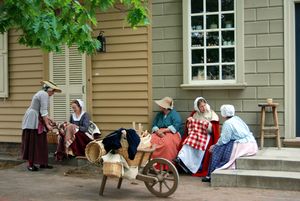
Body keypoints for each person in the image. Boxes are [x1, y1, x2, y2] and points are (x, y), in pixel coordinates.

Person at [202, 104, 258, 182]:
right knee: (222, 146)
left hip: (243, 145)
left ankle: (211, 174)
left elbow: (224, 140)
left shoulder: (227, 123)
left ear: (223, 114)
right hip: (252, 144)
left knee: (217, 149)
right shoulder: (237, 119)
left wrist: (215, 146)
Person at [21, 80, 61, 171]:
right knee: (33, 142)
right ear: (49, 89)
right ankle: (31, 164)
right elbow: (43, 111)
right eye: (53, 91)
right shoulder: (44, 94)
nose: (53, 93)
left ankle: (43, 163)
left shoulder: (43, 94)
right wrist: (48, 125)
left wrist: (50, 120)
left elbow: (43, 111)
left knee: (41, 141)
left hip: (37, 118)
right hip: (33, 120)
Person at [175, 97, 220, 175]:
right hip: (196, 134)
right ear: (198, 107)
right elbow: (190, 128)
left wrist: (206, 124)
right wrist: (190, 122)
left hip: (206, 135)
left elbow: (214, 129)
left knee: (200, 145)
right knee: (188, 142)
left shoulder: (211, 113)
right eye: (201, 106)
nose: (203, 108)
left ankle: (196, 166)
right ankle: (181, 159)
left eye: (204, 105)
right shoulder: (195, 114)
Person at [150, 97, 183, 165]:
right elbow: (154, 124)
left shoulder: (174, 114)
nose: (159, 106)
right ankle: (153, 164)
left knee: (166, 144)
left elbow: (176, 126)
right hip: (158, 132)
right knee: (151, 141)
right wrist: (157, 131)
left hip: (171, 132)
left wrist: (164, 131)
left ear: (165, 107)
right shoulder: (159, 114)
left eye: (161, 105)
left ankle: (166, 166)